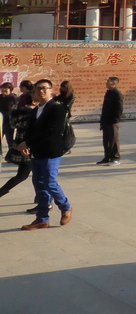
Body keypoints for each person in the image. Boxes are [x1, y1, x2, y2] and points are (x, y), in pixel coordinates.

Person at [19, 79, 72, 230]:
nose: (41, 91)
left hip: (50, 152)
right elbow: (31, 130)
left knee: (50, 183)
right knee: (40, 185)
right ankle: (42, 219)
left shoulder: (57, 108)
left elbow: (51, 132)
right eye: (38, 89)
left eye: (44, 88)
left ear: (51, 90)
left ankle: (66, 207)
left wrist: (28, 143)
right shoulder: (36, 110)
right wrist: (26, 144)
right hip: (37, 152)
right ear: (34, 92)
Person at [0, 81, 31, 200]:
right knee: (24, 175)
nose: (3, 91)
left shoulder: (14, 100)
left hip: (34, 149)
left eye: (5, 90)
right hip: (26, 147)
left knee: (42, 178)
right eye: (2, 89)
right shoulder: (27, 114)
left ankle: (45, 203)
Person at [96, 76, 123, 165]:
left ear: (113, 83)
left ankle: (116, 158)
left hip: (112, 121)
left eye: (108, 81)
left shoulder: (117, 94)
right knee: (106, 140)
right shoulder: (108, 93)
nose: (106, 83)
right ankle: (107, 157)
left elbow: (119, 108)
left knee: (113, 140)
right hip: (106, 121)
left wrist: (115, 120)